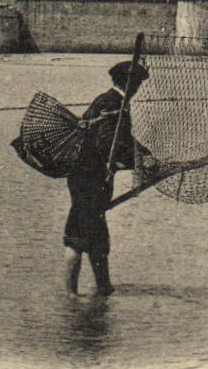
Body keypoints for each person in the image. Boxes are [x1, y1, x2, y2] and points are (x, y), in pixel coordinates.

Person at [63, 59, 150, 296]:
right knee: (77, 236)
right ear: (130, 84)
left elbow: (122, 142)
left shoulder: (109, 101)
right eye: (139, 84)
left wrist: (144, 155)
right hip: (88, 178)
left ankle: (104, 289)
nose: (140, 88)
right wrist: (138, 162)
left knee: (97, 236)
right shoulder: (114, 105)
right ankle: (70, 295)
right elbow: (107, 144)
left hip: (88, 176)